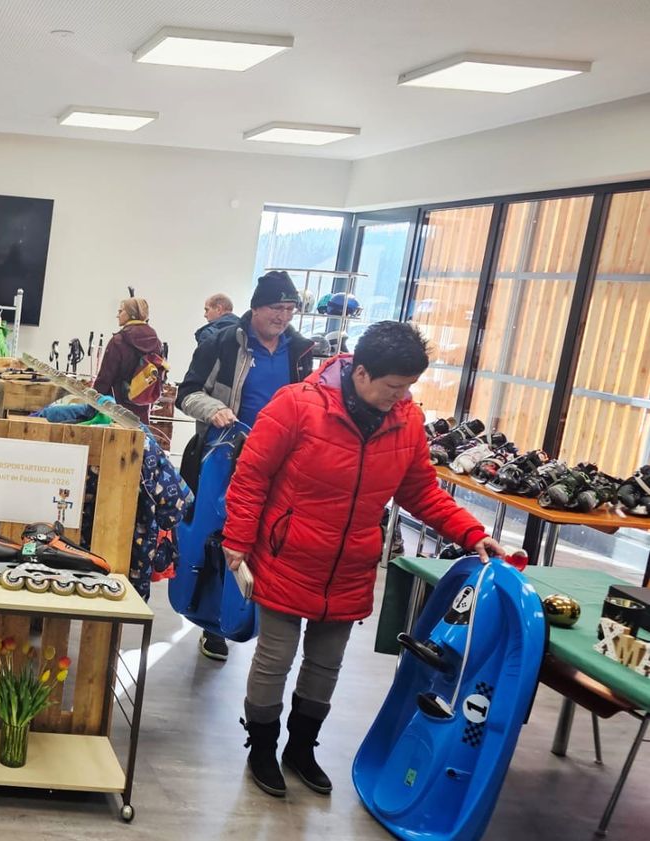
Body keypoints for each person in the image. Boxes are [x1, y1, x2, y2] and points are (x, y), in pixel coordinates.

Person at [224, 321, 504, 798]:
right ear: (361, 373)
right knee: (275, 660)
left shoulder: (406, 421)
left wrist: (472, 533)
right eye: (394, 387)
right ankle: (263, 748)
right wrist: (236, 545)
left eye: (408, 388)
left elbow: (420, 491)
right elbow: (250, 478)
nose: (401, 397)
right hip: (286, 555)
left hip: (350, 565)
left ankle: (301, 748)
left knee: (326, 664)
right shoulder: (296, 406)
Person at [176, 271, 315, 663]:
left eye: (289, 309)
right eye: (276, 307)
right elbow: (186, 394)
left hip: (284, 463)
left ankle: (263, 624)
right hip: (227, 457)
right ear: (256, 306)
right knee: (222, 540)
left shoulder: (300, 352)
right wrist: (215, 408)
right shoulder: (220, 343)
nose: (283, 316)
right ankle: (214, 623)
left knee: (274, 541)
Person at [92, 298, 163, 425]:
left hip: (115, 412)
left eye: (121, 311)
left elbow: (105, 379)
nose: (117, 315)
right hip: (142, 411)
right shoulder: (156, 343)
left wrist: (91, 403)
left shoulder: (118, 341)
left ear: (131, 314)